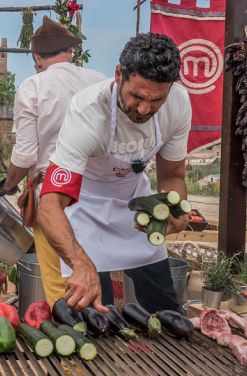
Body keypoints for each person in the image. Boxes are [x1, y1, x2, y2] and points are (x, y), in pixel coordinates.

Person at [37, 33, 192, 313]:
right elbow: (50, 204)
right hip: (86, 208)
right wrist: (81, 265)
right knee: (98, 312)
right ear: (119, 75)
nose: (144, 109)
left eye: (156, 100)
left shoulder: (179, 104)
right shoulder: (87, 112)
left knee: (165, 306)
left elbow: (172, 176)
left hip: (136, 204)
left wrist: (176, 206)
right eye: (136, 96)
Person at [0, 16, 106, 304]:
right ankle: (103, 330)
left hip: (57, 195)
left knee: (60, 283)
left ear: (37, 56)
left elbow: (26, 153)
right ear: (71, 51)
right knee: (96, 269)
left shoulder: (33, 87)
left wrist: (8, 184)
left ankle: (71, 336)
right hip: (100, 193)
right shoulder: (101, 81)